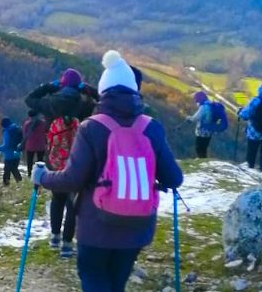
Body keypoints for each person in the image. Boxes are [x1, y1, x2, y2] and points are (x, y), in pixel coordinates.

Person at [32, 49, 183, 292]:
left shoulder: (92, 127)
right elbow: (174, 178)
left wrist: (43, 177)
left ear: (104, 90)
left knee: (93, 276)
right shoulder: (152, 127)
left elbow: (72, 179)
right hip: (138, 228)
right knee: (117, 281)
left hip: (97, 227)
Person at [45, 112, 80, 258]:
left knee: (57, 201)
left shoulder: (55, 123)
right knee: (72, 207)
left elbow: (49, 144)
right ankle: (66, 245)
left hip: (56, 168)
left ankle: (55, 237)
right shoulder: (78, 124)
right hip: (72, 170)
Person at [25, 68, 99, 122]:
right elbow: (104, 102)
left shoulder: (50, 103)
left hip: (51, 142)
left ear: (62, 84)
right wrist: (89, 89)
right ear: (78, 86)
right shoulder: (85, 107)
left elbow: (29, 99)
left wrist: (47, 87)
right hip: (74, 142)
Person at [0, 117, 23, 186]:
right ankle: (21, 184)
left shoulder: (7, 132)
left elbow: (6, 146)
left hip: (9, 155)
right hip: (18, 153)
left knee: (7, 171)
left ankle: (6, 185)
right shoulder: (17, 128)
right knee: (14, 169)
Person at [237, 85, 262, 169]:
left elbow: (245, 115)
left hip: (254, 131)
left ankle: (250, 168)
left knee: (252, 152)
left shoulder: (256, 101)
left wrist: (240, 112)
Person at [187, 91, 213, 158]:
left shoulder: (204, 107)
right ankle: (204, 161)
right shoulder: (210, 105)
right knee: (204, 148)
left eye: (196, 99)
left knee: (199, 148)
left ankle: (202, 162)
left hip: (202, 131)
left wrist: (189, 118)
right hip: (209, 131)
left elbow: (196, 117)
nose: (196, 101)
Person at [22, 109, 48, 176]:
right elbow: (46, 132)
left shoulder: (27, 124)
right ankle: (40, 174)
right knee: (40, 161)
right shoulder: (43, 123)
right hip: (41, 145)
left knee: (29, 161)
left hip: (30, 145)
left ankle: (29, 174)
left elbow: (24, 134)